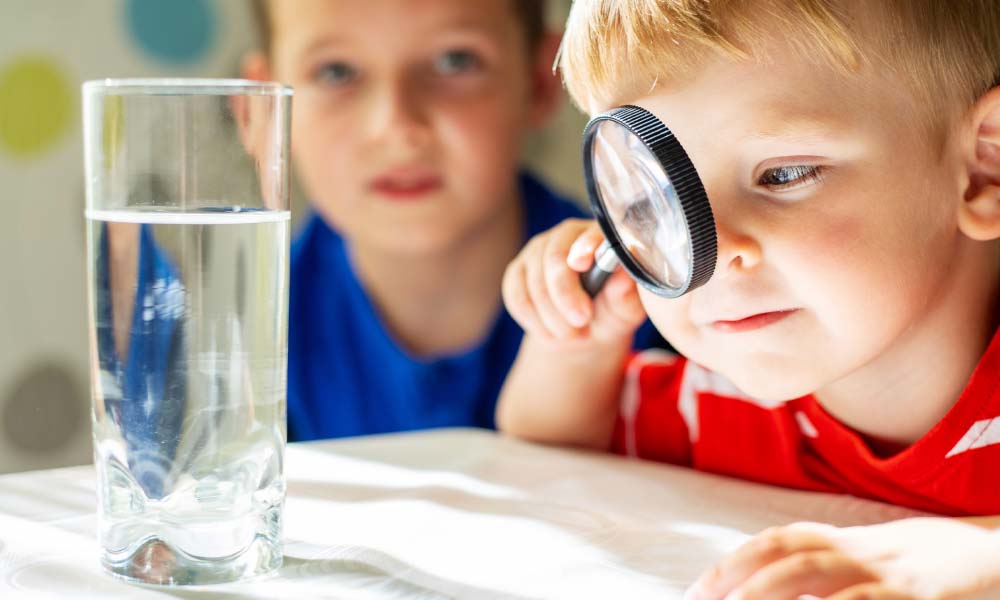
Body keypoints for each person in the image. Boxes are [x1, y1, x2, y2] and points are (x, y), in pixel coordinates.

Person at [497, 0, 1000, 597]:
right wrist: (576, 340)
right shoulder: (720, 400)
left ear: (984, 167)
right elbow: (547, 452)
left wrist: (977, 556)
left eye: (783, 175)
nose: (709, 251)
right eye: (653, 204)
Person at [243, 0, 662, 441]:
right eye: (336, 72)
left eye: (454, 61)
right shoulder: (241, 345)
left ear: (542, 79)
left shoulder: (670, 310)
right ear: (259, 110)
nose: (396, 126)